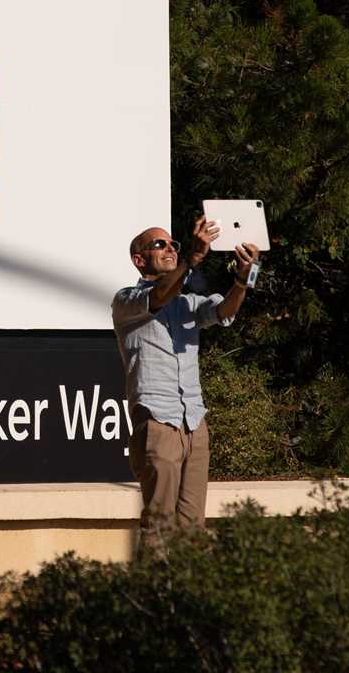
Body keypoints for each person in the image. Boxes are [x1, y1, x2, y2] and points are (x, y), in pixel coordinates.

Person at [111, 216, 260, 552]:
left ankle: (188, 586)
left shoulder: (188, 303)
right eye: (160, 244)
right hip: (158, 420)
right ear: (139, 259)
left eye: (173, 245)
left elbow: (224, 311)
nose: (170, 249)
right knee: (159, 527)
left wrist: (243, 278)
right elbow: (159, 296)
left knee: (193, 531)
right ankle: (154, 585)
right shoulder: (126, 301)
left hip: (194, 422)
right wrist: (192, 258)